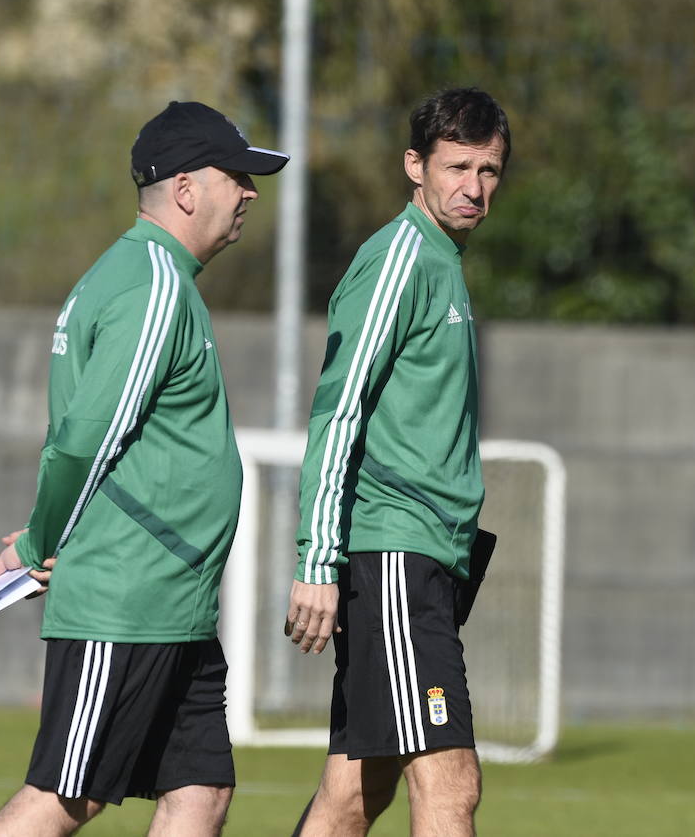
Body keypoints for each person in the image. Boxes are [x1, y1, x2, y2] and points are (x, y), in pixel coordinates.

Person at [0, 100, 288, 837]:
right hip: (130, 596)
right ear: (185, 189)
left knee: (202, 790)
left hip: (172, 602)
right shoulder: (152, 281)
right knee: (63, 797)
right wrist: (38, 542)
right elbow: (84, 437)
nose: (250, 192)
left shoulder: (152, 276)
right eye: (236, 176)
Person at [283, 87, 511, 837]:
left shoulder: (444, 261)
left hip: (427, 561)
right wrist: (318, 558)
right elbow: (338, 411)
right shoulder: (400, 259)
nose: (473, 187)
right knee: (451, 783)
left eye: (489, 170)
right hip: (395, 552)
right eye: (456, 167)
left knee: (357, 789)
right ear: (415, 165)